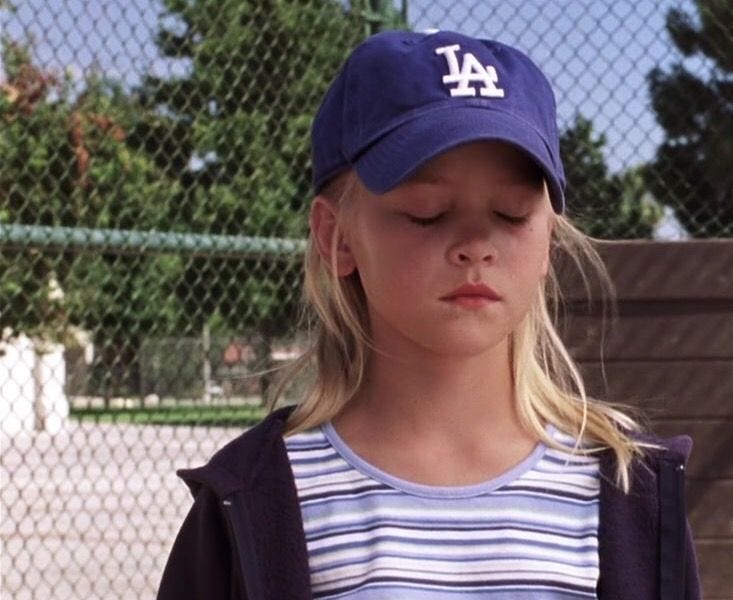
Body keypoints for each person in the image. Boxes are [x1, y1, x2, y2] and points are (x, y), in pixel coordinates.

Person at [156, 29, 701, 599]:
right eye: (426, 212)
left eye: (512, 214)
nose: (475, 245)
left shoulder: (628, 490)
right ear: (336, 236)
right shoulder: (255, 495)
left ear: (549, 243)